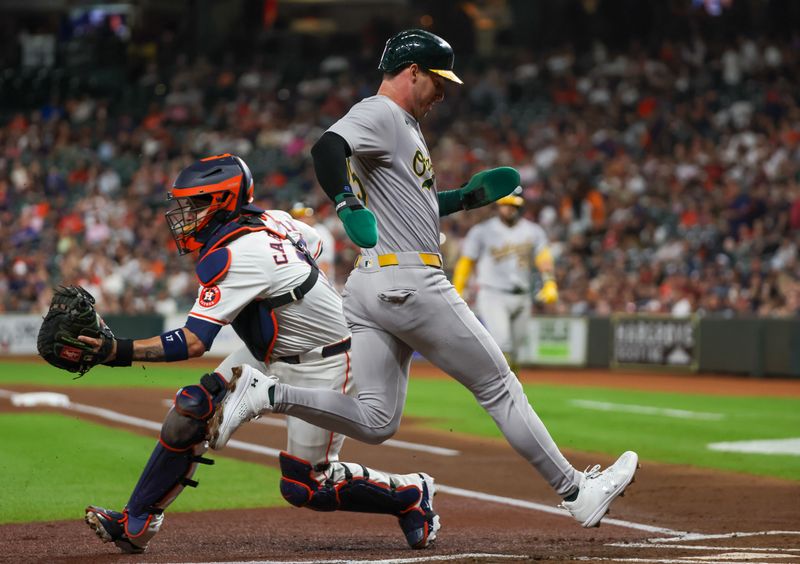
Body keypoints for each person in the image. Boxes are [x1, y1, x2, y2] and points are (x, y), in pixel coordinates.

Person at [209, 29, 639, 531]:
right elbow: (327, 148)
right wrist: (345, 201)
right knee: (499, 388)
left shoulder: (403, 125)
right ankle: (576, 492)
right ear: (412, 71)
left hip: (371, 286)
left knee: (376, 420)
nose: (444, 91)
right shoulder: (383, 112)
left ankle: (266, 395)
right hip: (410, 279)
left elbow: (413, 205)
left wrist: (464, 200)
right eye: (438, 80)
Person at [79, 153, 440, 554]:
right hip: (271, 351)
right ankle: (136, 521)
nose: (182, 215)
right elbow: (315, 245)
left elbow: (194, 342)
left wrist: (115, 351)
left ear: (222, 202)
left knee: (305, 485)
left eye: (194, 204)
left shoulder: (237, 254)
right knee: (193, 407)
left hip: (325, 360)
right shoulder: (273, 219)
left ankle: (409, 493)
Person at [452, 189, 559, 374]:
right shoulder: (482, 230)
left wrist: (549, 282)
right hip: (493, 293)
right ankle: (504, 393)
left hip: (522, 295)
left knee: (516, 353)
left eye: (513, 206)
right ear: (498, 206)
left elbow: (544, 258)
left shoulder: (533, 231)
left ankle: (512, 390)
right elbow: (466, 261)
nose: (509, 210)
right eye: (506, 205)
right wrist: (457, 289)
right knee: (503, 345)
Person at [289, 202, 336, 286]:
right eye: (297, 216)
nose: (300, 219)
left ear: (313, 216)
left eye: (304, 215)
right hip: (300, 284)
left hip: (319, 285)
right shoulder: (294, 234)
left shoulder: (321, 232)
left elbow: (324, 265)